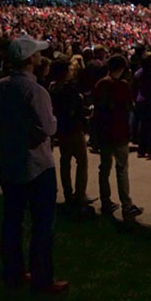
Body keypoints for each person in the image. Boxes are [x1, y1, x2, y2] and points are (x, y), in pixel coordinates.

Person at [0, 34, 66, 293]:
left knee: (12, 222)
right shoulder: (35, 90)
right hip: (38, 166)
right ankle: (42, 279)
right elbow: (49, 127)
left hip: (8, 162)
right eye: (37, 53)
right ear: (30, 59)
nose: (41, 56)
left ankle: (14, 272)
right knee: (42, 225)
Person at [93, 55, 144, 220]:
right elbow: (129, 106)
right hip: (119, 132)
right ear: (122, 69)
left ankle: (106, 201)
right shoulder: (122, 86)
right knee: (121, 170)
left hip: (104, 132)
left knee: (104, 168)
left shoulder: (100, 84)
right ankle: (126, 206)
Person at [49, 58, 91, 208]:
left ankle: (68, 193)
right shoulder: (69, 89)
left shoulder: (53, 87)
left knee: (65, 161)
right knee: (81, 162)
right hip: (73, 128)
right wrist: (86, 111)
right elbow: (76, 108)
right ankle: (80, 194)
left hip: (61, 129)